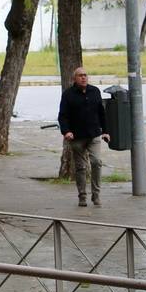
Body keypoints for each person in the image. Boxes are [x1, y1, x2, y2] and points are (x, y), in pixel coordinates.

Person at [58, 66, 110, 207]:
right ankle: (82, 196)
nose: (83, 77)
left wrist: (105, 131)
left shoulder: (94, 91)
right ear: (75, 78)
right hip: (77, 136)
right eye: (80, 75)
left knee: (96, 162)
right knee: (81, 167)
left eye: (85, 75)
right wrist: (66, 131)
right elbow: (63, 116)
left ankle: (96, 194)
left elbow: (101, 113)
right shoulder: (68, 94)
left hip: (94, 135)